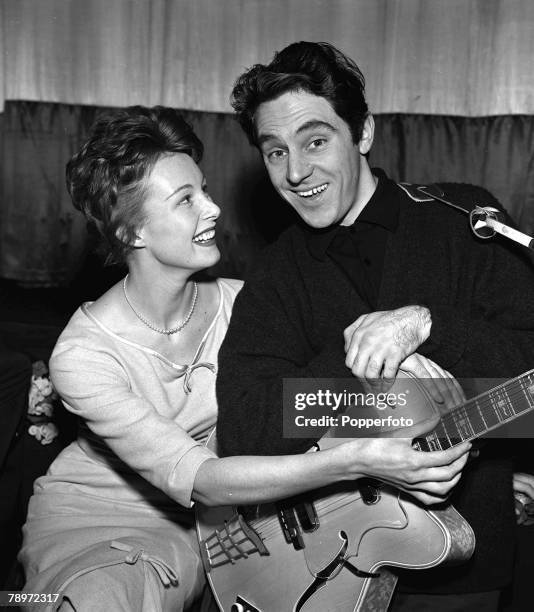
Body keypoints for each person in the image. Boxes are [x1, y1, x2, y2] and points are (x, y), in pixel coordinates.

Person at [18, 106, 470, 612]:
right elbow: (205, 480)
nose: (212, 209)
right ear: (131, 233)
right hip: (109, 519)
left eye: (205, 190)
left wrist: (492, 453)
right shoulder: (83, 355)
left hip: (237, 526)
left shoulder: (247, 304)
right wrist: (359, 460)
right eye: (186, 201)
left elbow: (320, 402)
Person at [216, 42, 534, 610]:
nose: (295, 172)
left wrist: (425, 326)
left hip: (465, 568)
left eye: (316, 141)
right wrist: (371, 378)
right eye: (274, 152)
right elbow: (244, 425)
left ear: (363, 133)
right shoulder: (275, 276)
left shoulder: (468, 223)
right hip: (322, 573)